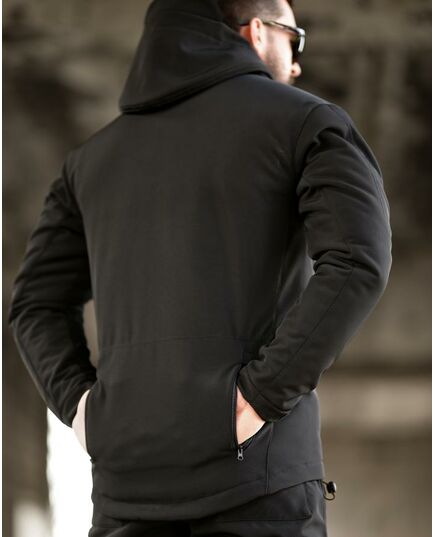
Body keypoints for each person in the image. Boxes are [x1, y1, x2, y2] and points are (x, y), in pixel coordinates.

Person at [7, 0, 392, 535]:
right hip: (255, 488)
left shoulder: (89, 163)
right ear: (257, 31)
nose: (298, 62)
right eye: (294, 38)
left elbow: (34, 304)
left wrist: (84, 410)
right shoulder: (306, 121)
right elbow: (358, 258)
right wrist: (262, 396)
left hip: (125, 495)